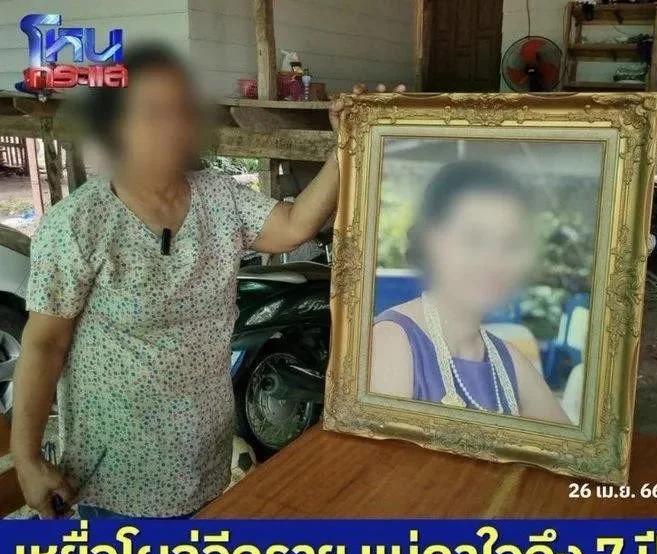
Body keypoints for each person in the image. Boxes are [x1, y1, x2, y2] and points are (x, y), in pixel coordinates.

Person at [10, 42, 404, 519]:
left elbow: (294, 224)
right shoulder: (78, 224)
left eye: (181, 111)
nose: (172, 128)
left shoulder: (218, 197)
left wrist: (349, 143)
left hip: (203, 456)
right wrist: (27, 459)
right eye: (152, 113)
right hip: (116, 473)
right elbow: (44, 343)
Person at [370, 160, 570, 424]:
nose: (494, 261)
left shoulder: (509, 360)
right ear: (431, 243)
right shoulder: (393, 341)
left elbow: (570, 444)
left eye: (510, 243)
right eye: (474, 239)